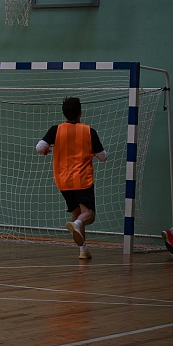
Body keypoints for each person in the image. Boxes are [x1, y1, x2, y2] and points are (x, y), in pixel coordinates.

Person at [36, 97, 108, 260]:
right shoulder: (88, 131)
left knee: (77, 212)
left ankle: (83, 250)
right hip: (82, 180)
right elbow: (103, 157)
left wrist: (46, 150)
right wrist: (101, 153)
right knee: (88, 214)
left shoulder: (56, 130)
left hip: (63, 181)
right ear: (80, 113)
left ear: (64, 113)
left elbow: (39, 148)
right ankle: (77, 224)